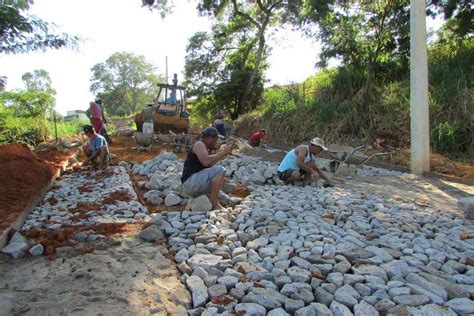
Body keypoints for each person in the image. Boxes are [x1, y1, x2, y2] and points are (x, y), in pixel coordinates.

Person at [181, 127, 233, 209]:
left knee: (224, 197)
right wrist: (222, 152)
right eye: (216, 140)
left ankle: (229, 202)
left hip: (195, 184)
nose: (216, 142)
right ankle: (214, 203)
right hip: (190, 183)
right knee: (220, 169)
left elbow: (209, 165)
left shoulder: (205, 148)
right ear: (209, 138)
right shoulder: (199, 144)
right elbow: (206, 162)